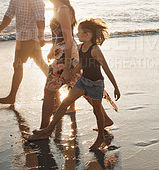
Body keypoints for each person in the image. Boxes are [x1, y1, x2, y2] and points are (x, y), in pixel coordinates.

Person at [37, 0, 114, 132]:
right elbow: (62, 37)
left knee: (50, 91)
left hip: (66, 57)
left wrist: (66, 68)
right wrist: (52, 48)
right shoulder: (58, 8)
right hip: (65, 55)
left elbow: (69, 39)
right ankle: (105, 120)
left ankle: (44, 130)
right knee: (85, 91)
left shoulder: (63, 10)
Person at [28, 18, 121, 150]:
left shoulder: (95, 50)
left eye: (79, 32)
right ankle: (48, 129)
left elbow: (106, 69)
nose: (76, 35)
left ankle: (100, 137)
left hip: (95, 84)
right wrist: (70, 74)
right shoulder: (81, 47)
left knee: (97, 111)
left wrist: (116, 87)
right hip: (83, 81)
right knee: (65, 103)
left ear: (88, 35)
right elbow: (81, 64)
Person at [0, 0, 48, 104]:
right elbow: (10, 13)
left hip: (30, 37)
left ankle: (12, 97)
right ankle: (56, 92)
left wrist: (41, 36)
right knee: (40, 63)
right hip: (22, 36)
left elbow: (40, 16)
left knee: (17, 65)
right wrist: (0, 29)